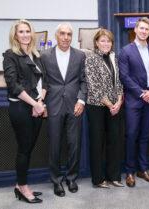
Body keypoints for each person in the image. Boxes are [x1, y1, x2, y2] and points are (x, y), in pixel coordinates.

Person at [41, 23, 87, 197]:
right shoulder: (44, 55)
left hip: (74, 105)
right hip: (53, 105)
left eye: (69, 34)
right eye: (63, 34)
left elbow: (84, 81)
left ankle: (72, 178)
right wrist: (43, 103)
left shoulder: (80, 55)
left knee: (74, 144)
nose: (66, 37)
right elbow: (42, 82)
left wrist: (81, 101)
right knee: (54, 145)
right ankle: (56, 180)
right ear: (56, 36)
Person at [3, 19, 46, 203]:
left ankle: (19, 185)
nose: (25, 34)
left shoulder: (35, 55)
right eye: (21, 31)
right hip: (21, 108)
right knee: (23, 149)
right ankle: (23, 186)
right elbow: (13, 85)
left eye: (28, 31)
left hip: (36, 106)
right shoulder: (10, 55)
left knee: (28, 148)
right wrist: (34, 104)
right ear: (15, 35)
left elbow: (45, 81)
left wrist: (41, 101)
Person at [118, 17, 149, 187]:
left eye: (147, 29)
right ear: (135, 30)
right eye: (141, 28)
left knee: (145, 136)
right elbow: (124, 76)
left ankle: (142, 169)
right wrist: (141, 93)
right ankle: (130, 171)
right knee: (131, 136)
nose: (144, 31)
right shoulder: (125, 51)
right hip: (133, 101)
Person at [85, 29, 124, 188]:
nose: (106, 44)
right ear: (96, 43)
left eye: (108, 41)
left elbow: (119, 81)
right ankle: (99, 179)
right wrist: (109, 104)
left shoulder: (114, 58)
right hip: (97, 106)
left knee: (114, 141)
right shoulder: (91, 59)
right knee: (97, 142)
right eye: (102, 41)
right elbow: (93, 85)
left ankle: (114, 176)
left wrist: (120, 101)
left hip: (115, 106)